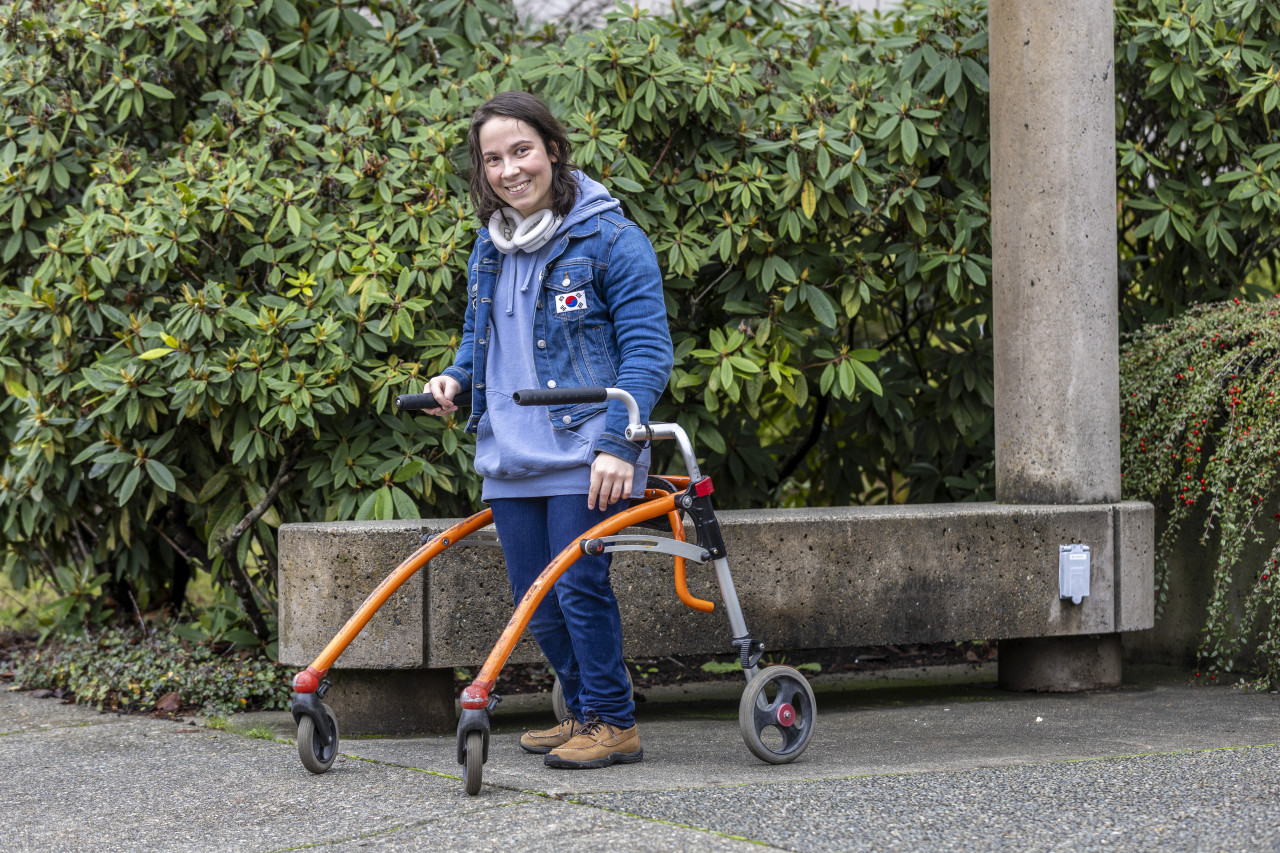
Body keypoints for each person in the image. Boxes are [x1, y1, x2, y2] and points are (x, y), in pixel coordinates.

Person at [423, 91, 673, 770]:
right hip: (509, 451)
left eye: (522, 150)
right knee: (534, 595)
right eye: (493, 158)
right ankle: (589, 712)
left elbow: (649, 351)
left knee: (577, 585)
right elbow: (482, 340)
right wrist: (454, 379)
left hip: (587, 449)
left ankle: (615, 721)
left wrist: (621, 443)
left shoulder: (612, 238)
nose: (509, 169)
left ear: (553, 150)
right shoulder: (490, 244)